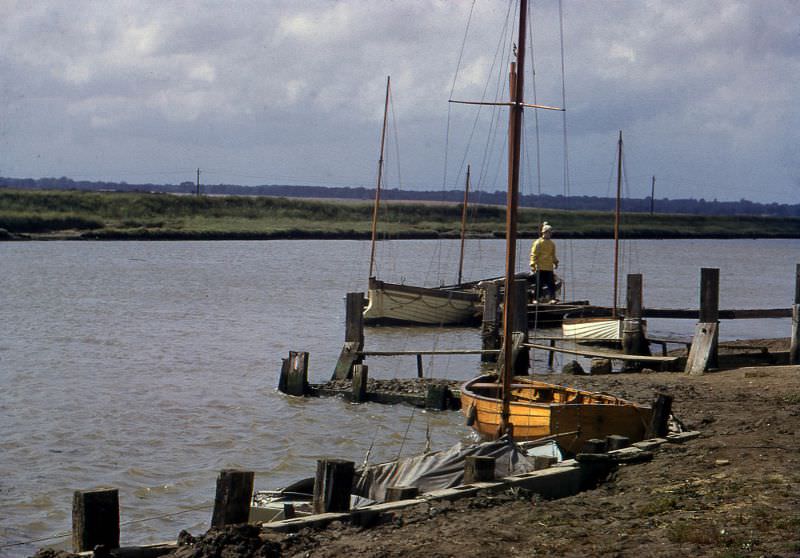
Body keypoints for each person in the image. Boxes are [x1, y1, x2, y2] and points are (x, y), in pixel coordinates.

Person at [530, 221, 559, 302]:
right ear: (544, 232)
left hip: (549, 267)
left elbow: (553, 255)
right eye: (549, 232)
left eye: (550, 232)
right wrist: (532, 264)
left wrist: (555, 262)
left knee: (551, 284)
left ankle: (552, 298)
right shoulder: (538, 243)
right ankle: (536, 299)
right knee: (539, 284)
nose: (550, 234)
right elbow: (533, 254)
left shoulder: (552, 244)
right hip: (540, 267)